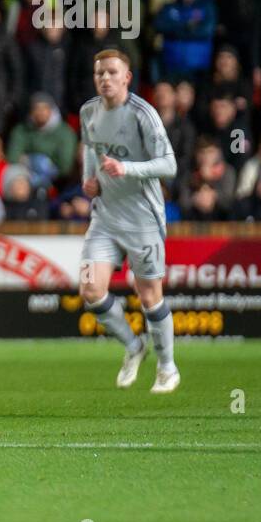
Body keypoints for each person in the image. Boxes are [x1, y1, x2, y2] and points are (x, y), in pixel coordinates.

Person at [78, 49, 179, 393]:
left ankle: (167, 367)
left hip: (143, 220)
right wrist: (88, 180)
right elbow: (89, 151)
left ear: (127, 77)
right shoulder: (88, 111)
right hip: (104, 217)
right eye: (99, 73)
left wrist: (128, 169)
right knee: (91, 289)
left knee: (149, 293)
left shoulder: (143, 115)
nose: (104, 78)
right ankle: (134, 346)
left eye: (111, 72)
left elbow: (169, 164)